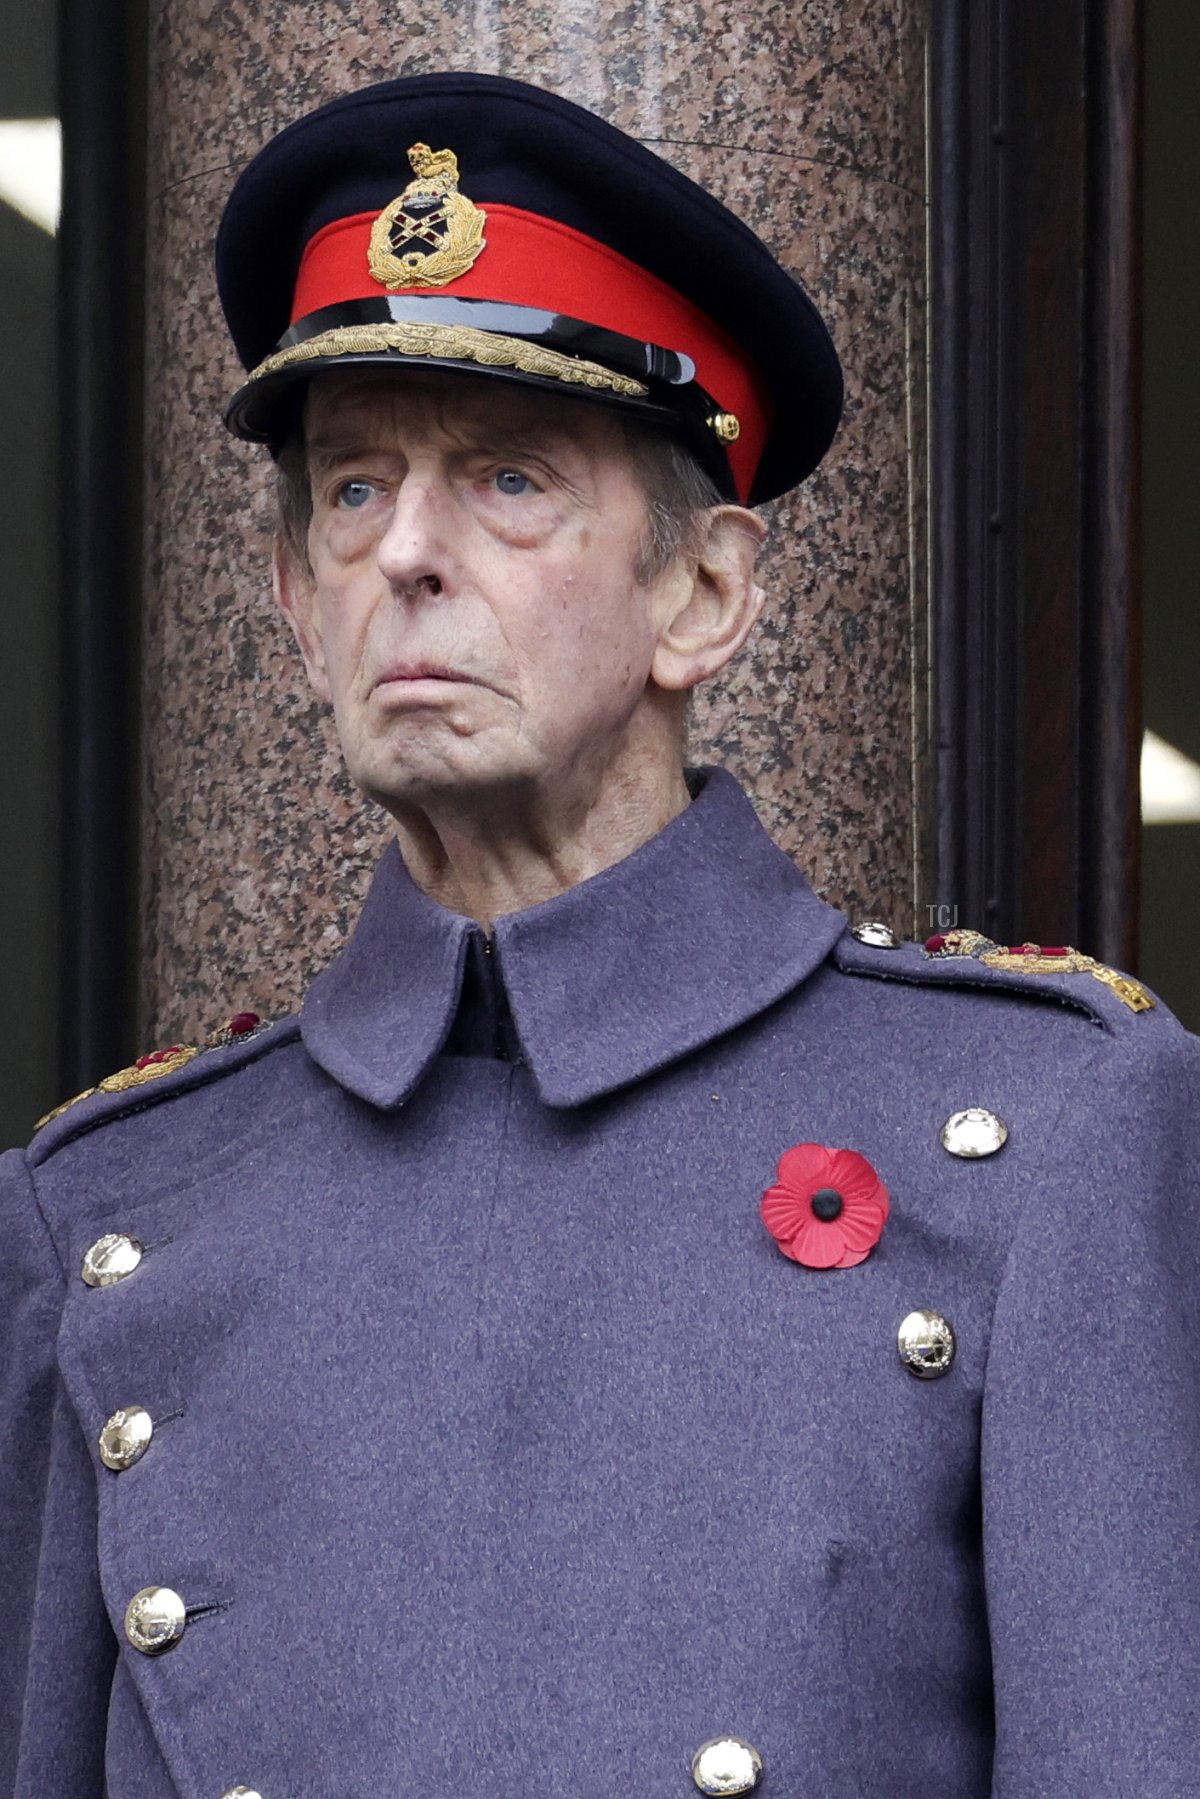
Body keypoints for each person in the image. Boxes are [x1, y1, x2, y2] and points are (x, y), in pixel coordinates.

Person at [2, 70, 1198, 1799]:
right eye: (349, 490)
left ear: (701, 594)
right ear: (290, 602)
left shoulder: (1049, 1135)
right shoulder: (110, 1214)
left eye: (504, 479)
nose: (405, 553)